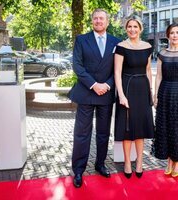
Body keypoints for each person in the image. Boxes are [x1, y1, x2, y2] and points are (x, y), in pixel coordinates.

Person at [68, 8, 120, 188]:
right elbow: (77, 65)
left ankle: (100, 164)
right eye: (95, 18)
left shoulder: (116, 42)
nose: (98, 21)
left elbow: (118, 69)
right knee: (82, 134)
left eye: (101, 18)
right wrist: (94, 85)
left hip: (106, 93)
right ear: (92, 21)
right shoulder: (82, 40)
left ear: (107, 22)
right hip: (86, 92)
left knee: (103, 133)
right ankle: (79, 170)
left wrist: (107, 85)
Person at [114, 15, 154, 179]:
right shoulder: (121, 46)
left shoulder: (147, 46)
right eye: (129, 27)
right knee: (126, 128)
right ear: (126, 29)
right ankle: (128, 163)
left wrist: (150, 91)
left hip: (142, 90)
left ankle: (139, 162)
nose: (132, 29)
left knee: (140, 128)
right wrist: (121, 95)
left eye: (135, 27)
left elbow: (148, 70)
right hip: (127, 89)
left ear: (140, 29)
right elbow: (117, 72)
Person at [153, 23, 178, 177]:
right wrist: (156, 95)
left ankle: (177, 162)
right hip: (165, 92)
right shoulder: (162, 53)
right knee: (167, 126)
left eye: (177, 32)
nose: (175, 35)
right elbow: (159, 76)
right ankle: (169, 160)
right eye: (172, 33)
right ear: (168, 35)